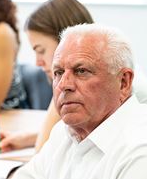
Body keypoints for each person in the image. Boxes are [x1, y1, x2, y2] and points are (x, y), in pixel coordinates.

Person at [12, 23, 147, 179]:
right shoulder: (65, 131)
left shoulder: (139, 150)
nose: (63, 84)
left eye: (81, 71)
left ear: (123, 82)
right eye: (58, 72)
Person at [0, 0, 94, 153]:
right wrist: (27, 138)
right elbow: (74, 131)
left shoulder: (82, 83)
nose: (38, 62)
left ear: (65, 43)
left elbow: (41, 153)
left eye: (41, 51)